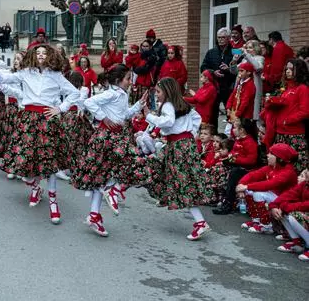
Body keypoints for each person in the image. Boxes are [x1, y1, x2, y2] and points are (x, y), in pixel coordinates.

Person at [0, 43, 81, 225]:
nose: (40, 55)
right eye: (37, 53)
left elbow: (74, 94)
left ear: (50, 56)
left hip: (48, 120)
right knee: (25, 161)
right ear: (32, 55)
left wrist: (60, 108)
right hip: (29, 120)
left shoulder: (56, 76)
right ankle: (35, 188)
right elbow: (3, 78)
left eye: (44, 53)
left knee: (51, 163)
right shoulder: (25, 73)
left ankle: (53, 202)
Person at [70, 64, 149, 235]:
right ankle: (112, 192)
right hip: (108, 138)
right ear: (118, 80)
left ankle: (95, 213)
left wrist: (138, 105)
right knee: (133, 164)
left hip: (116, 136)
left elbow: (124, 115)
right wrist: (103, 118)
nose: (130, 82)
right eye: (128, 79)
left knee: (103, 176)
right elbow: (89, 101)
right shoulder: (111, 93)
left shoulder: (121, 94)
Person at [145, 78, 209, 240]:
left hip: (178, 146)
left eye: (158, 92)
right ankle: (167, 197)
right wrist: (190, 134)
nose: (156, 95)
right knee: (181, 180)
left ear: (167, 91)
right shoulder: (183, 104)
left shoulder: (167, 105)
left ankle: (201, 222)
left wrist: (149, 117)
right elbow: (197, 118)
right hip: (185, 144)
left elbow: (168, 122)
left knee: (181, 183)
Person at [237, 143, 298, 234]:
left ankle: (267, 225)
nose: (267, 155)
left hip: (285, 200)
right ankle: (256, 220)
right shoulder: (272, 167)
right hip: (276, 197)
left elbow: (269, 184)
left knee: (257, 193)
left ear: (280, 158)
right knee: (248, 191)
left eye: (271, 153)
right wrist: (241, 184)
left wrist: (246, 186)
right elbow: (253, 175)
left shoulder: (288, 171)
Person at [261, 59, 309, 171]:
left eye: (291, 69)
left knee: (296, 167)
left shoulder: (302, 89)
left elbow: (305, 111)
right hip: (281, 133)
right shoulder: (286, 89)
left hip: (294, 134)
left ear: (299, 71)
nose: (288, 71)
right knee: (279, 167)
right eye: (286, 68)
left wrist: (287, 121)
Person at [212, 118, 260, 215]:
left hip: (246, 169)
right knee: (219, 167)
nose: (233, 130)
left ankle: (228, 203)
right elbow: (234, 153)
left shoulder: (250, 142)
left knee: (234, 173)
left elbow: (252, 160)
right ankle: (218, 197)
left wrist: (235, 160)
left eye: (234, 127)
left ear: (241, 130)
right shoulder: (239, 140)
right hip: (236, 165)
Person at [0, 51, 24, 176]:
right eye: (15, 58)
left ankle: (18, 166)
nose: (16, 61)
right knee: (9, 137)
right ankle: (11, 165)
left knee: (19, 138)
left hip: (22, 108)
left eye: (19, 59)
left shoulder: (26, 76)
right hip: (11, 108)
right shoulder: (10, 74)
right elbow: (2, 80)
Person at [270, 168, 309, 261]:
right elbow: (289, 194)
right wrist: (274, 205)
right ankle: (297, 243)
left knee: (294, 215)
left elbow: (306, 205)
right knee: (282, 212)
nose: (307, 171)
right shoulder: (305, 184)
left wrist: (284, 206)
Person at [200, 27, 236, 128]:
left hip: (229, 87)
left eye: (223, 37)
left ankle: (231, 136)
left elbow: (241, 68)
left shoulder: (235, 51)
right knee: (212, 114)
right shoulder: (211, 52)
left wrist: (229, 69)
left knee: (231, 114)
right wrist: (212, 72)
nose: (220, 39)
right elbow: (203, 67)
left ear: (228, 38)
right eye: (219, 37)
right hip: (213, 87)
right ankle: (212, 136)